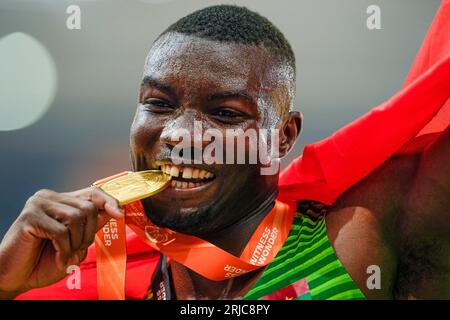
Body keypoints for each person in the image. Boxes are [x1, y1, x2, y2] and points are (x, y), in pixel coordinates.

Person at [0, 4, 449, 300]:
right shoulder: (86, 277)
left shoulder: (357, 239)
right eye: (159, 104)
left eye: (226, 113)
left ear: (284, 135)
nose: (181, 134)